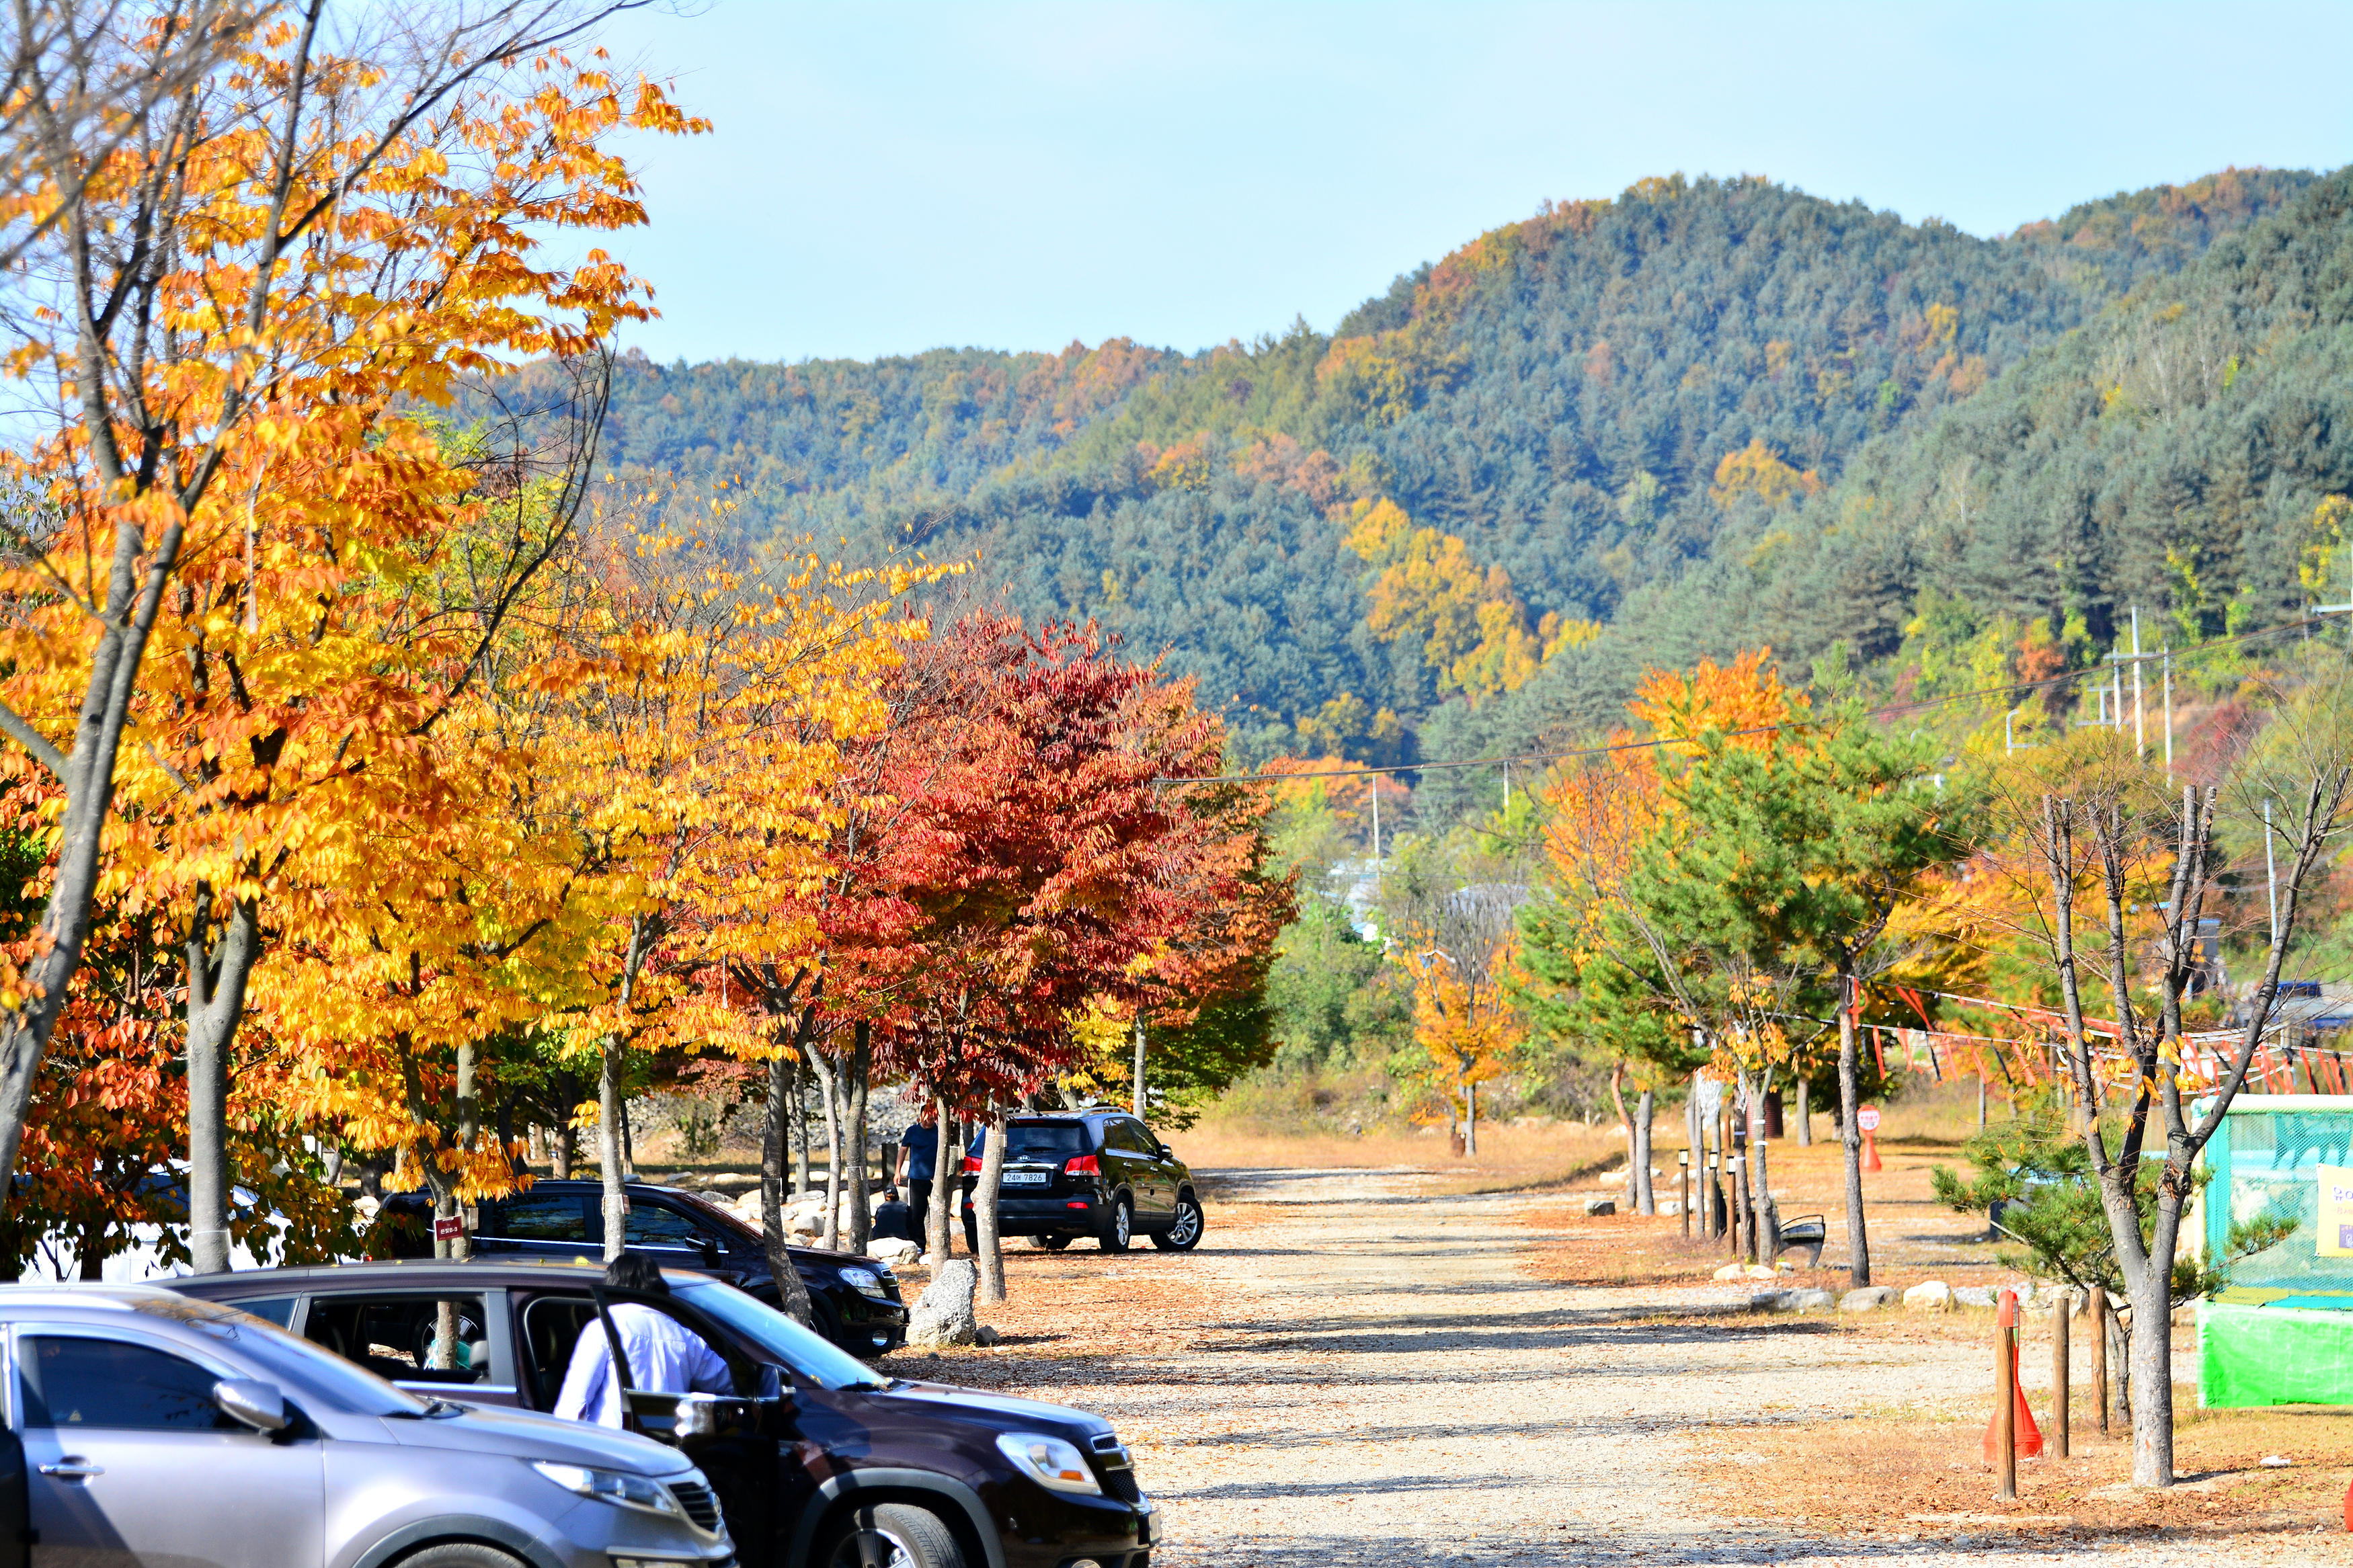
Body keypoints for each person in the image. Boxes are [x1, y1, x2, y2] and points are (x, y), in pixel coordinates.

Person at [553, 1253, 734, 1429]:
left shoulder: (602, 1329)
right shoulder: (685, 1336)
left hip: (610, 1449)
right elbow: (730, 1382)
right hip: (666, 1451)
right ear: (657, 1288)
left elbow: (573, 1409)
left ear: (613, 1285)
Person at [896, 1104, 947, 1234]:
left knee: (942, 1210)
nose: (928, 1121)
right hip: (917, 1178)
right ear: (921, 1116)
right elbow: (903, 1150)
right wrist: (898, 1171)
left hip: (936, 1178)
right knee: (917, 1214)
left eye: (931, 1119)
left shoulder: (941, 1131)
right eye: (925, 1118)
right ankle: (919, 1245)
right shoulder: (912, 1131)